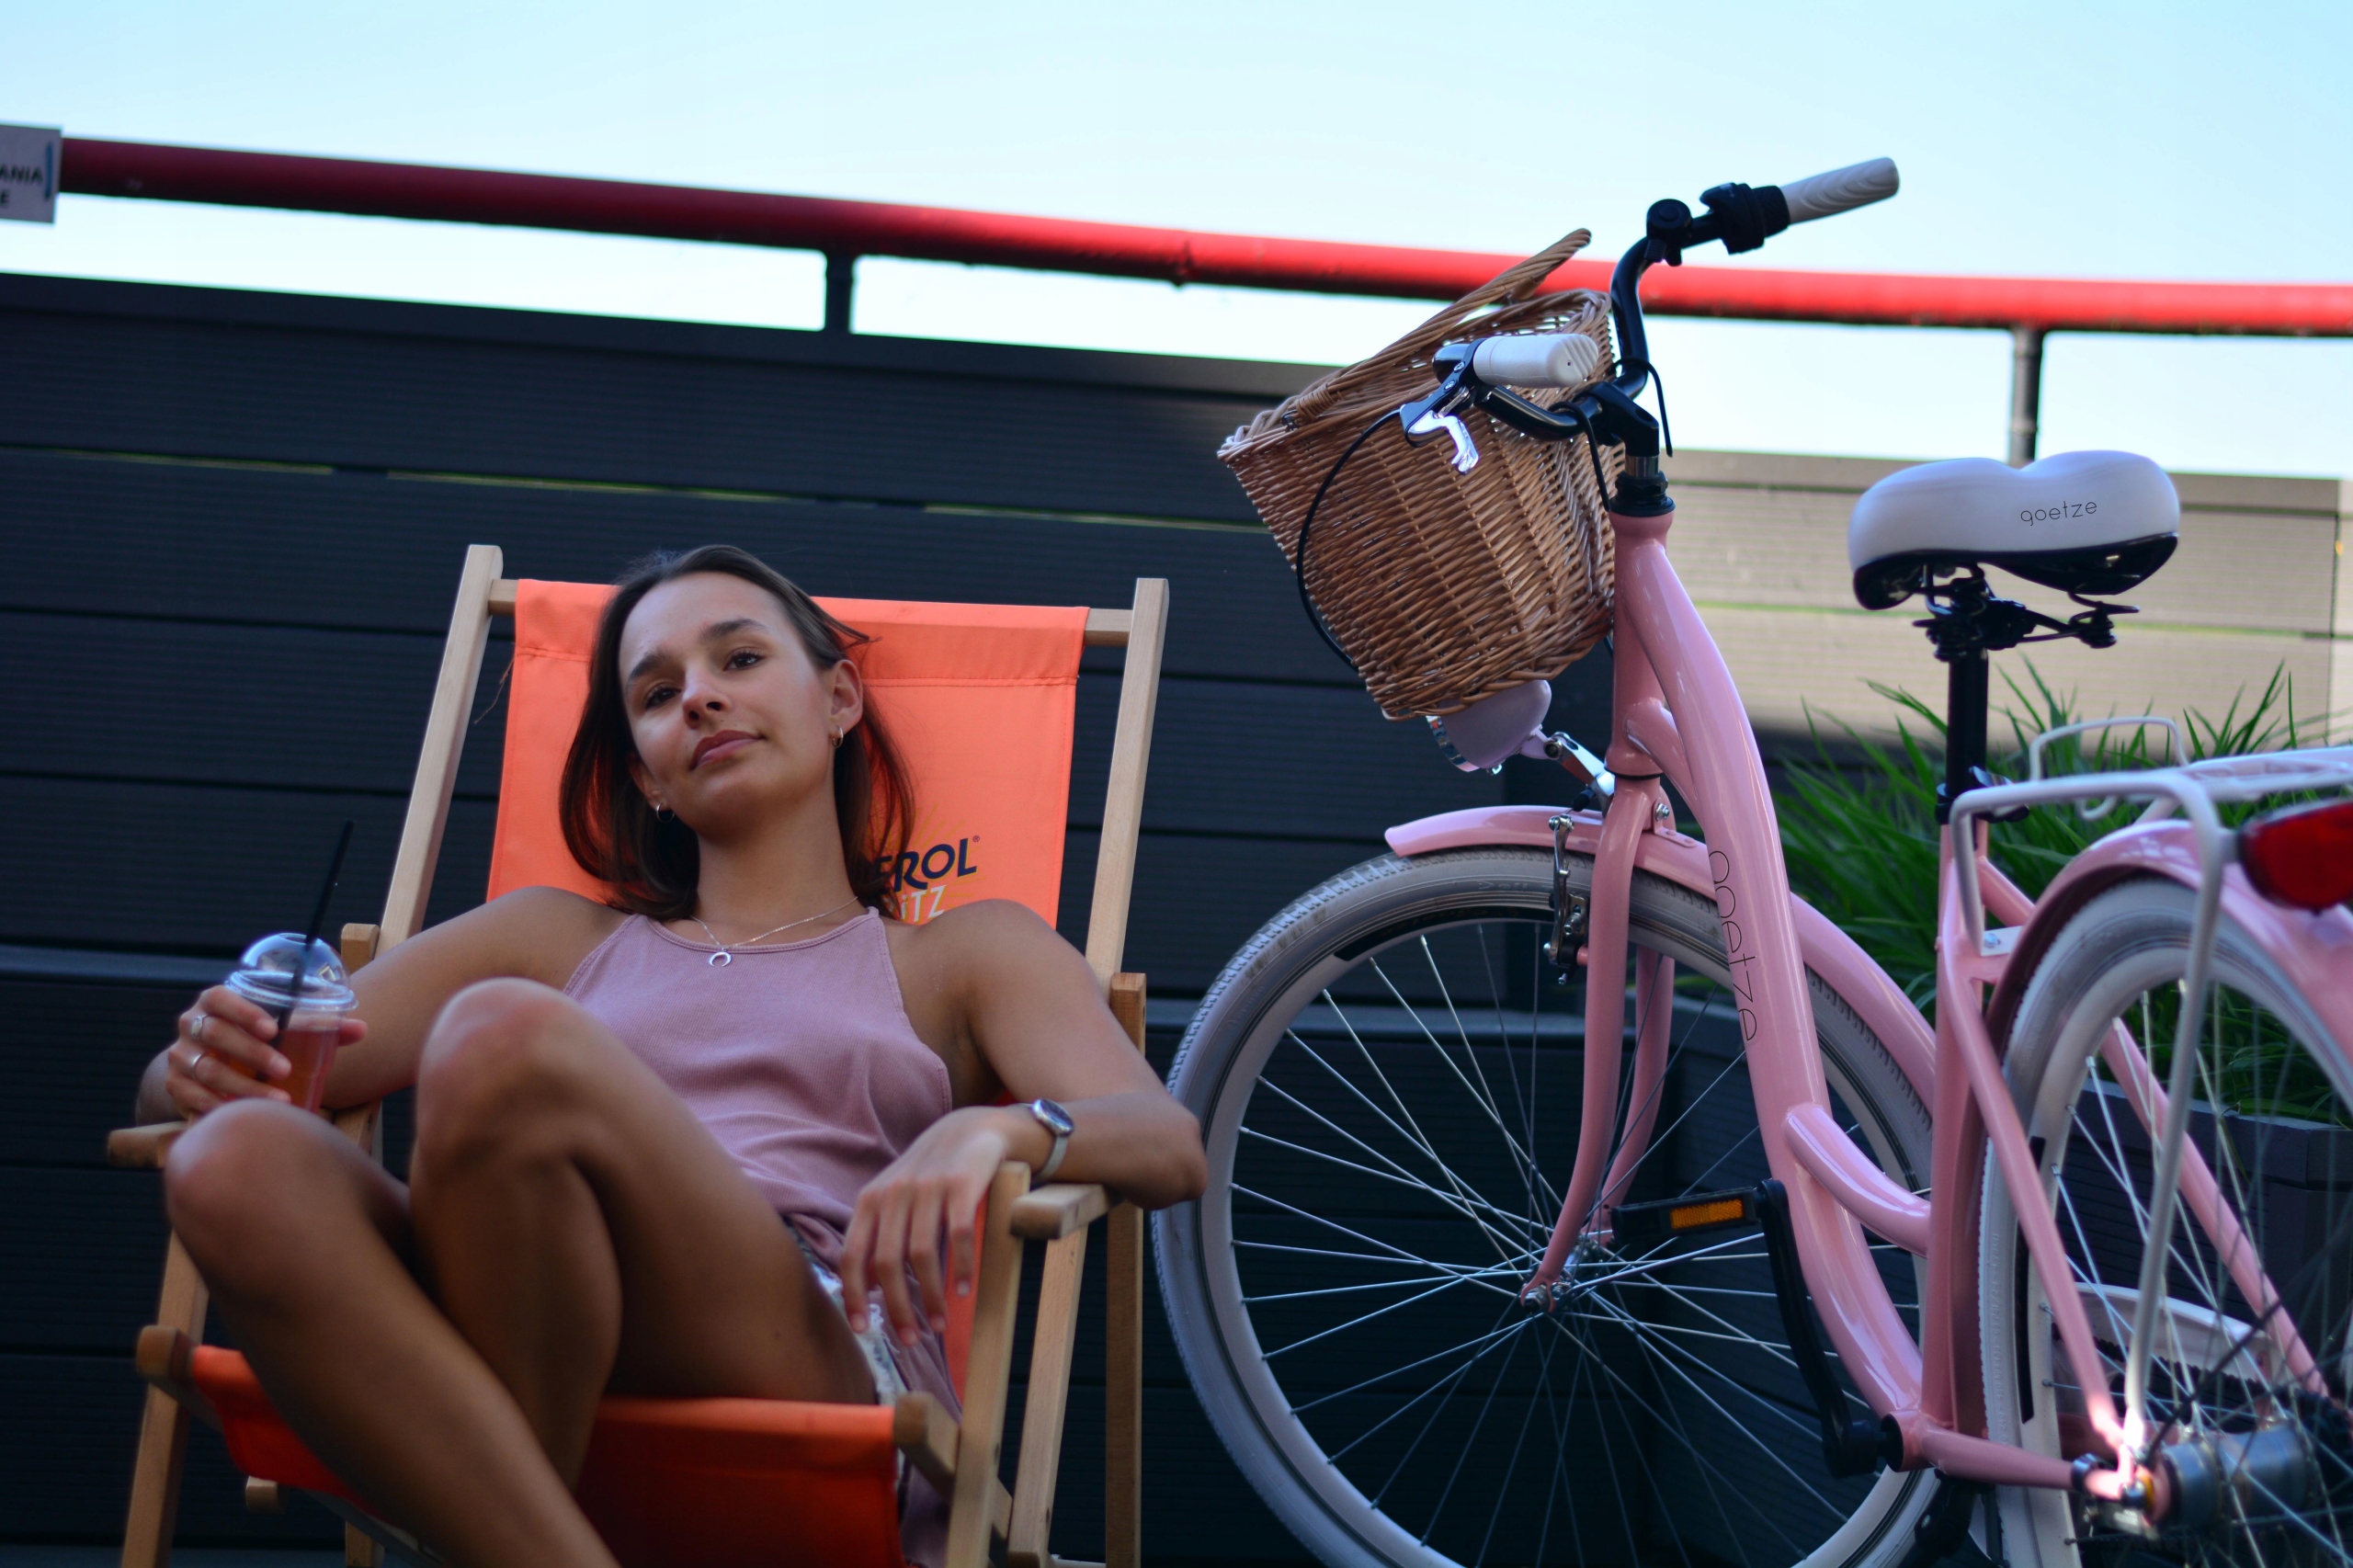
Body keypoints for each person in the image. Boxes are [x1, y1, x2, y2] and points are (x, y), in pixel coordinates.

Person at [138, 545, 1205, 1568]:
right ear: (646, 775)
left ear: (839, 699)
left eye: (738, 658)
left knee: (500, 1037)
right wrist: (189, 1067)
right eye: (656, 693)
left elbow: (1166, 1141)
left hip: (802, 1343)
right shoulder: (549, 937)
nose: (697, 696)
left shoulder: (958, 954)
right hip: (514, 1328)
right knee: (229, 1159)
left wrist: (1004, 1127)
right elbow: (228, 1090)